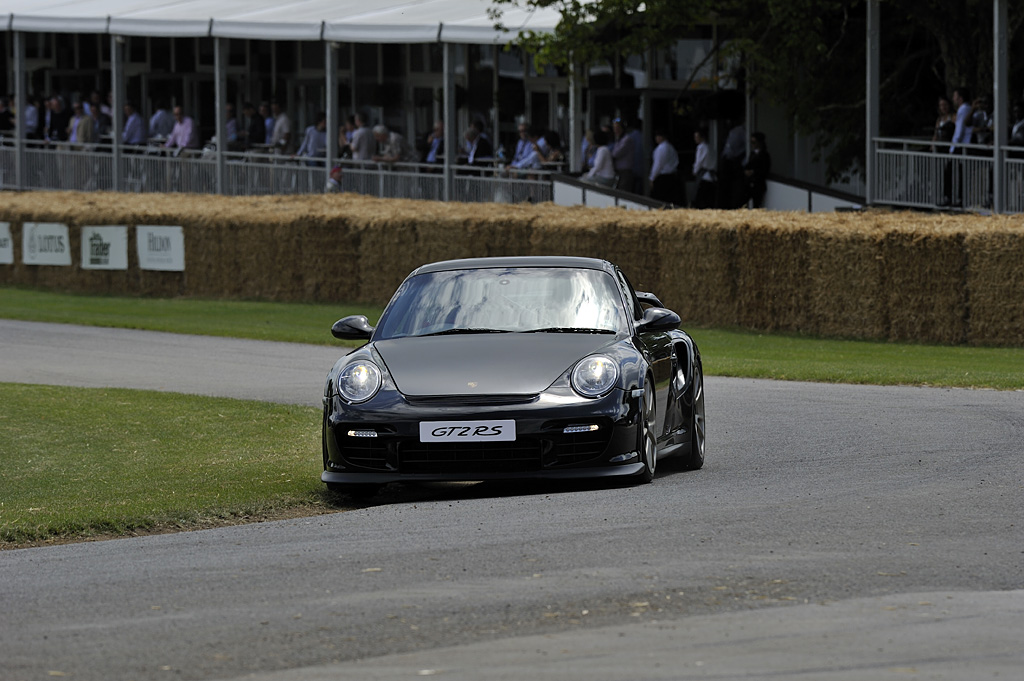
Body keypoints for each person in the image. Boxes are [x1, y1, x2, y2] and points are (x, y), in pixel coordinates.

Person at [648, 130, 682, 205]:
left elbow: (658, 164)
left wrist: (652, 178)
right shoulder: (671, 147)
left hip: (663, 177)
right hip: (672, 176)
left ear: (661, 137)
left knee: (660, 201)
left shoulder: (661, 148)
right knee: (669, 199)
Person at [718, 120, 747, 208]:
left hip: (734, 161)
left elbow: (747, 147)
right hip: (727, 160)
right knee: (724, 185)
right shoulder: (734, 131)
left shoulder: (742, 132)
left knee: (732, 186)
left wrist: (743, 163)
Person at [744, 131, 771, 208]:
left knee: (756, 204)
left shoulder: (764, 155)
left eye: (754, 142)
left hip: (758, 183)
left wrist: (753, 172)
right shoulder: (753, 154)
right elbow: (748, 165)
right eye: (751, 142)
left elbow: (765, 169)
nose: (752, 145)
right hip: (749, 182)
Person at [692, 127, 717, 209]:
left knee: (700, 200)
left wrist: (695, 171)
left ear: (702, 137)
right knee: (709, 200)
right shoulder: (710, 147)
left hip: (704, 176)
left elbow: (699, 161)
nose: (695, 139)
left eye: (697, 137)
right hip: (712, 176)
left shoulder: (701, 147)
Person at [611, 117, 635, 192]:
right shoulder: (618, 139)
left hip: (625, 171)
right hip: (619, 171)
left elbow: (616, 153)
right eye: (614, 128)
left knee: (623, 191)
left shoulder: (626, 139)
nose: (615, 130)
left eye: (617, 128)